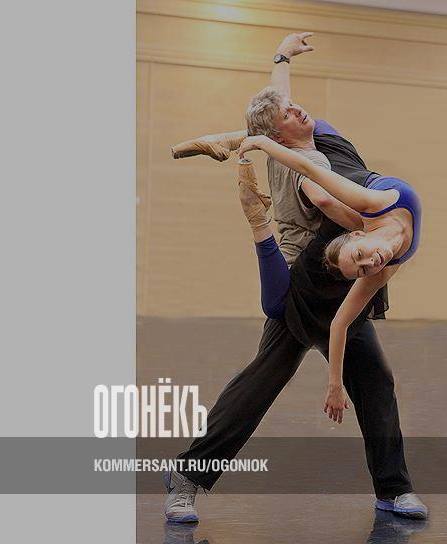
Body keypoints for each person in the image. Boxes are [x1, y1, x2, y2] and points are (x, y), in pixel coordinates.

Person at [163, 32, 427, 523]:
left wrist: (283, 56)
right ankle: (186, 478)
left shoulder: (319, 136)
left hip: (345, 278)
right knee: (262, 382)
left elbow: (277, 102)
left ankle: (394, 489)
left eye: (295, 108)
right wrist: (378, 229)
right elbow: (326, 196)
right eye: (287, 115)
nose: (297, 110)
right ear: (279, 138)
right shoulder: (310, 165)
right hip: (305, 284)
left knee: (374, 380)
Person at [235, 132, 421, 424]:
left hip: (349, 173)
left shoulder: (374, 202)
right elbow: (339, 323)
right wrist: (335, 384)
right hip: (349, 209)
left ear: (358, 237)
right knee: (324, 199)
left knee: (317, 167)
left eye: (359, 255)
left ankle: (249, 133)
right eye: (363, 270)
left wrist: (263, 143)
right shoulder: (382, 270)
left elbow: (309, 169)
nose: (370, 262)